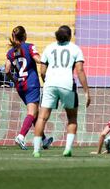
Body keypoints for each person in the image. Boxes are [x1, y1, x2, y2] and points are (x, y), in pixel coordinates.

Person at [32, 25, 91, 157]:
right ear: (70, 36)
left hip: (50, 84)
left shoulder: (49, 48)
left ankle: (36, 150)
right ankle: (67, 148)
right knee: (71, 117)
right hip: (67, 85)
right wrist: (86, 91)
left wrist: (47, 82)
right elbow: (80, 70)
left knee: (42, 117)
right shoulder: (75, 49)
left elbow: (42, 70)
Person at [5, 26, 53, 150]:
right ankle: (21, 136)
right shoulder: (30, 46)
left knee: (35, 114)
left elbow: (7, 70)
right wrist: (49, 61)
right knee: (32, 113)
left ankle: (44, 140)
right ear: (25, 36)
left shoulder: (11, 52)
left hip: (20, 86)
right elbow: (37, 59)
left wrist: (14, 80)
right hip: (31, 84)